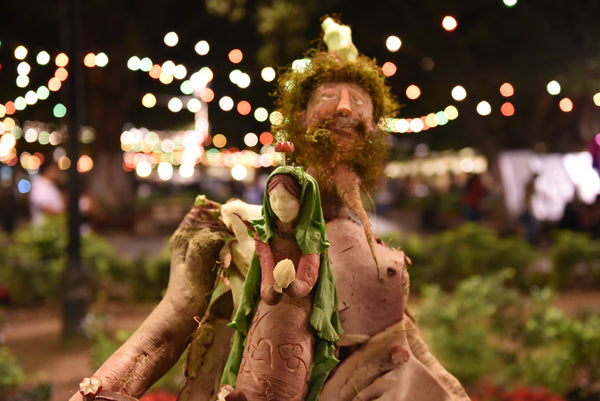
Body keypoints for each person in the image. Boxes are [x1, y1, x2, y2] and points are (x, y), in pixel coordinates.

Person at [71, 17, 469, 401]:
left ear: (372, 129)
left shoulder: (379, 255)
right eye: (329, 96)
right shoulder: (240, 224)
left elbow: (407, 343)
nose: (345, 107)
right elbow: (167, 328)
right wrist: (98, 390)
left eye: (360, 101)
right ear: (300, 119)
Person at [219, 166, 341, 401]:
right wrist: (270, 292)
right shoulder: (266, 238)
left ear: (303, 201)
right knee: (257, 359)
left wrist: (294, 286)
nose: (279, 206)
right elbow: (265, 274)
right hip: (268, 312)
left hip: (298, 316)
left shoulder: (311, 238)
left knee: (289, 371)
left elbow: (308, 277)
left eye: (286, 200)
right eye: (273, 199)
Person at [29, 159, 65, 225]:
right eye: (56, 169)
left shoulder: (51, 184)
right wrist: (62, 216)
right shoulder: (39, 184)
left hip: (54, 226)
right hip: (44, 228)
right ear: (49, 169)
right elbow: (44, 208)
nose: (58, 172)